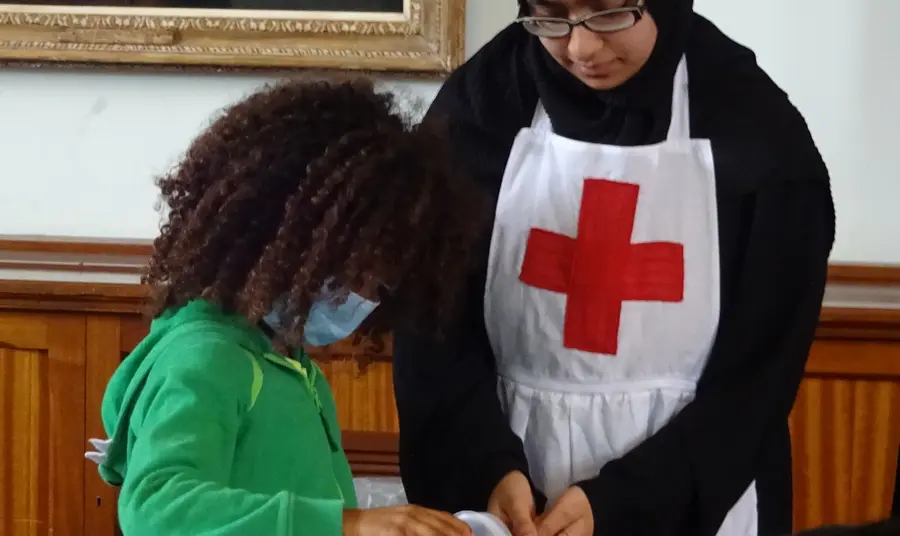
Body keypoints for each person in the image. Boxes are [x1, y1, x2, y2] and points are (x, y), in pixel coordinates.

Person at [392, 1, 835, 536]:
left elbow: (756, 381)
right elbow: (434, 336)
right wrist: (486, 468)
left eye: (608, 14)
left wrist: (627, 504)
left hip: (686, 489)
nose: (580, 48)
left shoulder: (758, 132)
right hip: (511, 494)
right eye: (550, 17)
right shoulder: (479, 110)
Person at [93, 78, 483, 536]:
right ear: (283, 240)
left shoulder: (291, 366)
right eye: (355, 271)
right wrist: (349, 524)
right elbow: (157, 507)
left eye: (382, 282)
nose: (367, 295)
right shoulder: (204, 359)